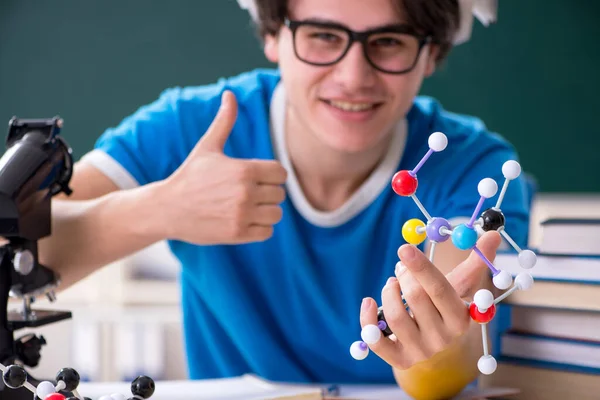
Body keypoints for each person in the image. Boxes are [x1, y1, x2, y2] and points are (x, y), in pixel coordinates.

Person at [37, 0, 531, 399]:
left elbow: (451, 366)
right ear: (274, 34)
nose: (354, 76)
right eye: (322, 35)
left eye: (388, 42)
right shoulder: (191, 126)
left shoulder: (475, 166)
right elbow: (17, 247)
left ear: (431, 53)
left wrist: (433, 349)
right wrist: (160, 209)